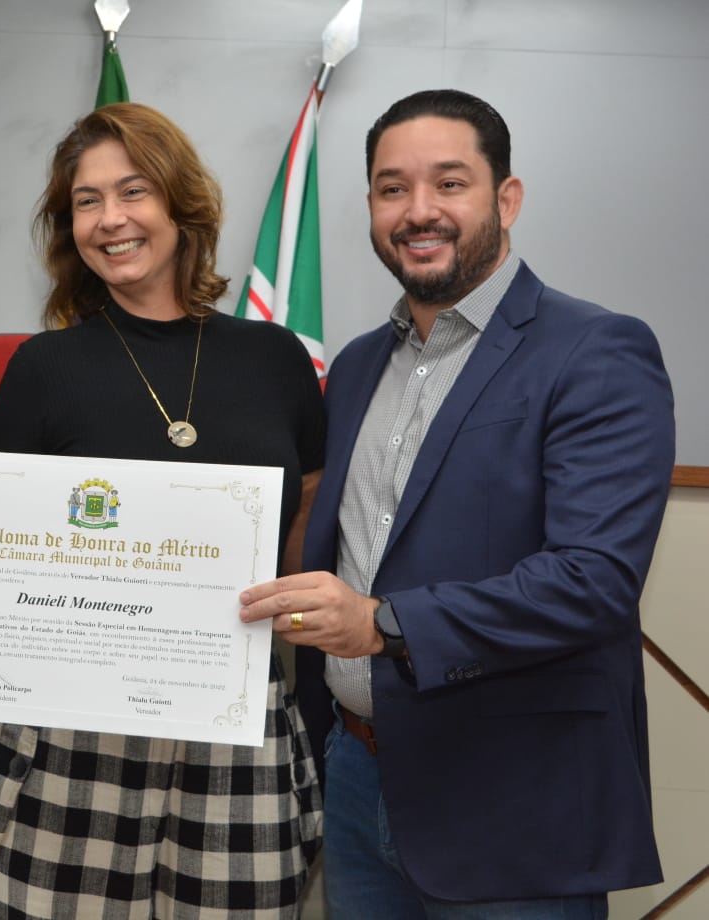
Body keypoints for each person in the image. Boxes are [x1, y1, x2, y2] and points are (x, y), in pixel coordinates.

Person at [0, 103, 325, 918]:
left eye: (133, 191)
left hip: (236, 733)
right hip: (66, 744)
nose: (110, 218)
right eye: (86, 201)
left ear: (182, 204)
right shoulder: (42, 368)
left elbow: (304, 530)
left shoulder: (276, 360)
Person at [239, 89, 675, 918]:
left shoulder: (595, 350)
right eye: (392, 188)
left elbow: (593, 581)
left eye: (449, 183)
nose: (418, 211)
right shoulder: (357, 367)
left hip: (513, 797)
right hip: (357, 778)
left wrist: (383, 624)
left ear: (506, 199)